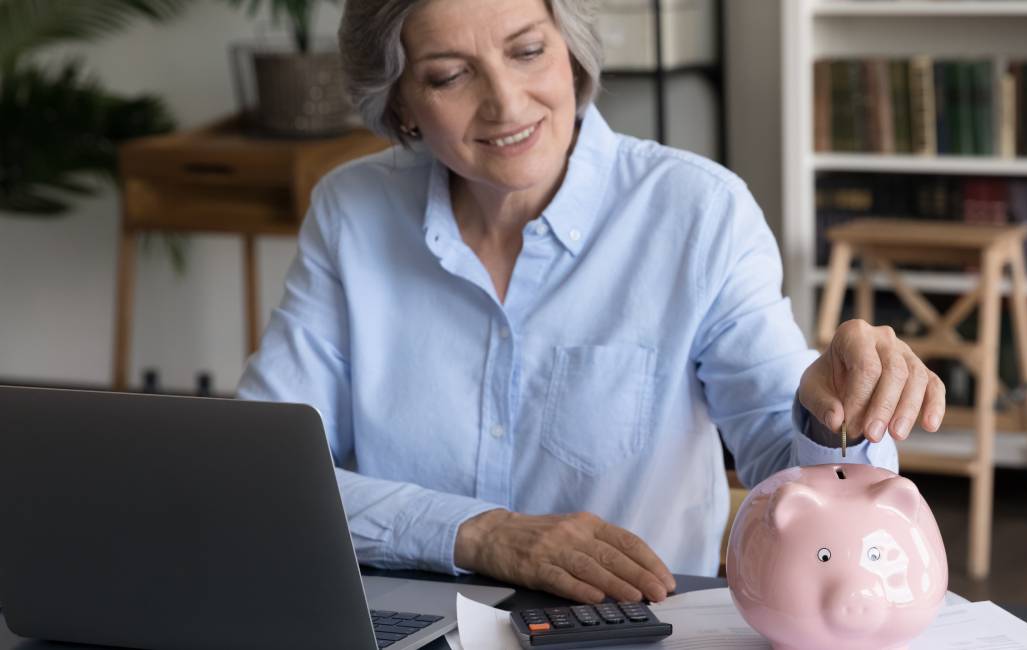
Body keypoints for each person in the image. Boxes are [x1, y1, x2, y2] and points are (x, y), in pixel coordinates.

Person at [237, 0, 946, 606]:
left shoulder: (698, 212)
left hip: (630, 627)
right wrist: (479, 533)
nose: (507, 104)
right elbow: (260, 471)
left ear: (571, 53)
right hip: (400, 617)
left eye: (527, 51)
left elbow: (801, 480)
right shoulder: (351, 211)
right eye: (450, 75)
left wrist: (835, 418)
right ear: (400, 105)